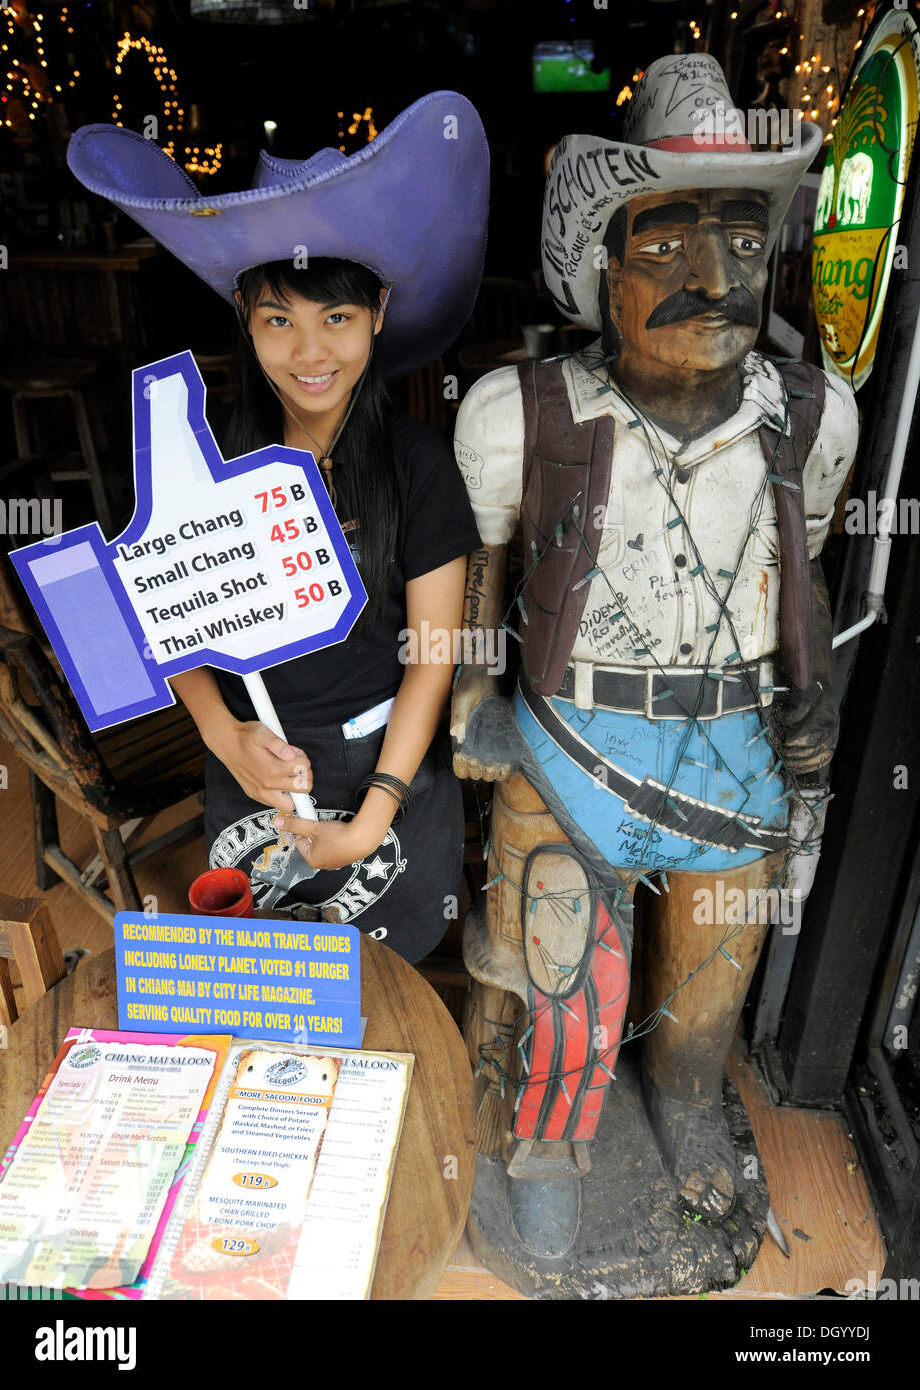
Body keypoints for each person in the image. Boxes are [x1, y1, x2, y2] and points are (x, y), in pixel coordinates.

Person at [451, 52, 857, 1269]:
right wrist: (474, 688)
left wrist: (812, 696)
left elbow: (798, 566)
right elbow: (477, 564)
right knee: (570, 983)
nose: (711, 279)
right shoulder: (520, 412)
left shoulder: (809, 414)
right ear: (600, 266)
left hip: (735, 754)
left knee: (705, 1001)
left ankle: (684, 1108)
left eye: (740, 241)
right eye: (665, 244)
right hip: (570, 742)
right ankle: (548, 1145)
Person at [67, 93, 489, 961]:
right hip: (251, 769)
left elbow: (432, 657)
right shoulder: (199, 455)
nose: (310, 354)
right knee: (270, 986)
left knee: (384, 989)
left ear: (377, 311)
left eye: (336, 317)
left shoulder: (416, 462)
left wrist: (370, 820)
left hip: (387, 770)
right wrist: (224, 736)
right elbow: (163, 619)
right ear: (244, 316)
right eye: (277, 320)